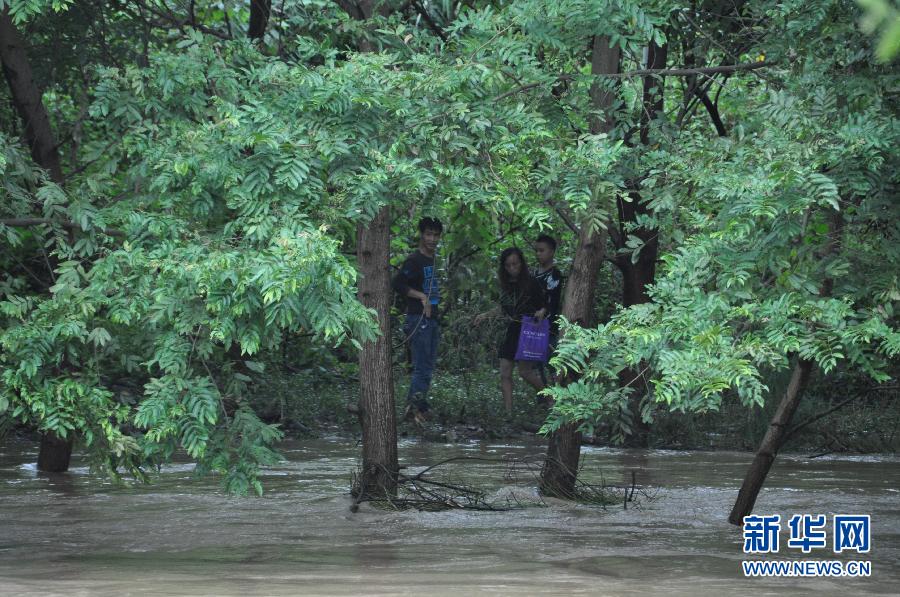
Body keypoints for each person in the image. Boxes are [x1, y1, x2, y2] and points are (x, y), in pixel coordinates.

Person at [474, 247, 547, 413]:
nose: (512, 268)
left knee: (525, 372)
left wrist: (541, 312)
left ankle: (551, 399)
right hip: (513, 329)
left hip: (529, 329)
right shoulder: (506, 285)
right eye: (508, 265)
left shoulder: (531, 282)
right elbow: (503, 308)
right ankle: (508, 413)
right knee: (505, 371)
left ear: (521, 263)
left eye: (515, 264)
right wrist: (485, 315)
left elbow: (544, 305)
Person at [392, 217, 443, 424]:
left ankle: (418, 407)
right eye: (429, 234)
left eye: (436, 235)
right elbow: (398, 283)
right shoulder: (414, 260)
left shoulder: (433, 259)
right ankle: (414, 409)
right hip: (418, 319)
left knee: (428, 366)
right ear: (421, 235)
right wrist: (421, 297)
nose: (432, 239)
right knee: (422, 366)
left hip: (431, 320)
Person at [532, 234, 564, 386]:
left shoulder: (555, 274)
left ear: (551, 252)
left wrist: (544, 310)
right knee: (537, 363)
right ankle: (546, 399)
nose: (538, 254)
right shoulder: (534, 273)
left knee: (553, 362)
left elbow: (551, 298)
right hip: (532, 324)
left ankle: (559, 395)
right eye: (537, 251)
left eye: (542, 250)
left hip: (549, 325)